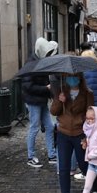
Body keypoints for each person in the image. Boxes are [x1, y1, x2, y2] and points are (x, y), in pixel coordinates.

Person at [50, 73, 94, 193]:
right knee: (63, 167)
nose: (71, 79)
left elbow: (91, 114)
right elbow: (53, 111)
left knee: (84, 164)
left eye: (74, 76)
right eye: (68, 76)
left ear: (80, 77)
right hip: (63, 133)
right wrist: (59, 100)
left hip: (80, 133)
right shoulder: (61, 91)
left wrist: (88, 135)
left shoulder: (87, 93)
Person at [22, 37, 58, 168]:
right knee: (34, 127)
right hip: (34, 101)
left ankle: (52, 155)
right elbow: (27, 86)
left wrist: (48, 91)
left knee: (49, 126)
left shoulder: (40, 61)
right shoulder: (31, 64)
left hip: (41, 100)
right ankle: (30, 156)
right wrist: (46, 89)